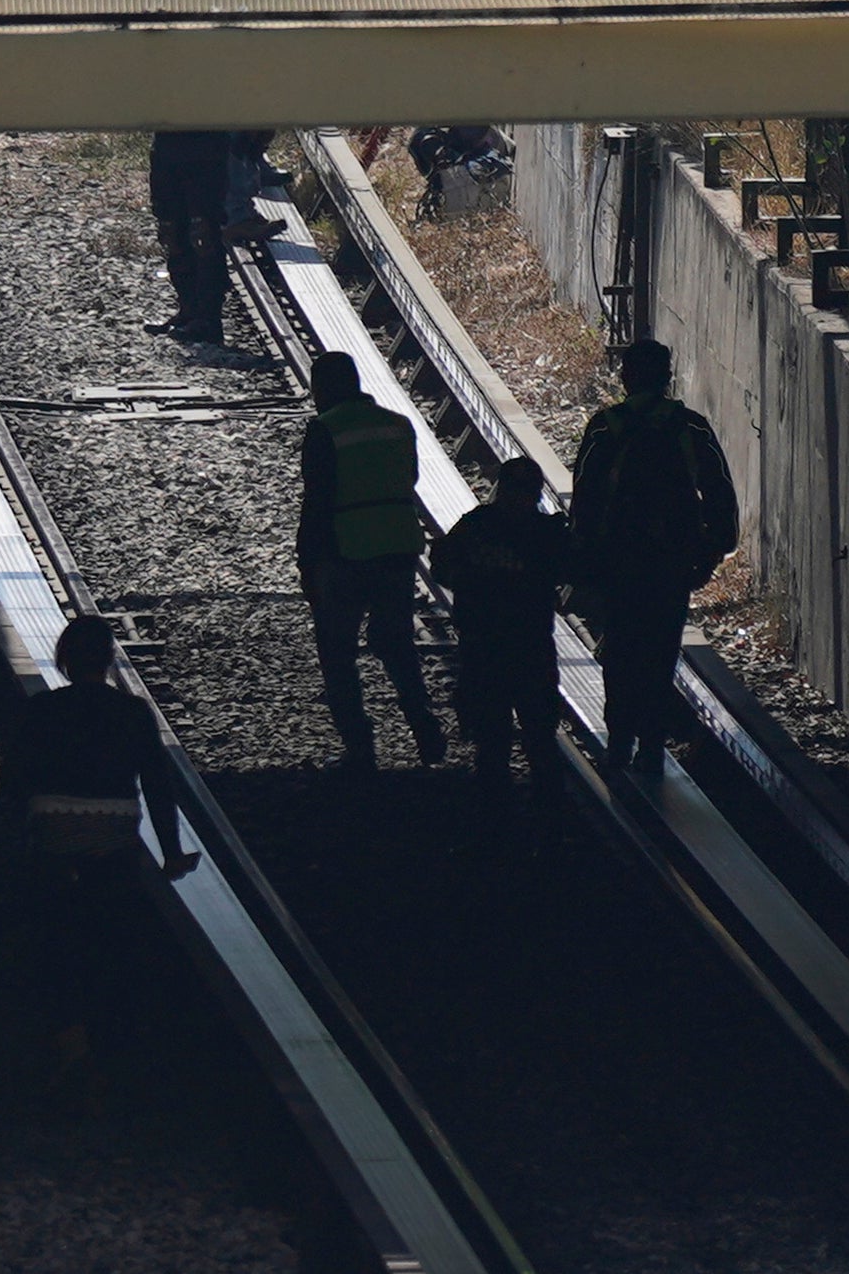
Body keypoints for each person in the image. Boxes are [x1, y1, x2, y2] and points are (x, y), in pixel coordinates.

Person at [563, 339, 740, 779]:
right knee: (661, 653)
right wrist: (713, 550)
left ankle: (619, 742)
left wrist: (582, 557)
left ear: (625, 378)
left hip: (618, 561)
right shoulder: (690, 427)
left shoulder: (606, 426)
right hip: (671, 563)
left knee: (621, 649)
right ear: (667, 378)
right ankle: (653, 747)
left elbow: (584, 495)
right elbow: (718, 490)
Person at [296, 351, 444, 770]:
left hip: (346, 551)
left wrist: (308, 564)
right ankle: (424, 729)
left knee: (337, 650)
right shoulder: (399, 426)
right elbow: (409, 479)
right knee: (397, 643)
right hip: (398, 548)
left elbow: (317, 502)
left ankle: (359, 745)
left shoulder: (325, 430)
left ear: (321, 388)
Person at [4, 612, 196, 875]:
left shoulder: (41, 707)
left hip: (53, 822)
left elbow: (14, 775)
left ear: (66, 659)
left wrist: (13, 839)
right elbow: (157, 783)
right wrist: (172, 853)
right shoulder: (134, 711)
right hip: (114, 823)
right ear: (108, 659)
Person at [432, 453, 574, 803]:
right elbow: (574, 571)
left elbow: (442, 566)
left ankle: (496, 801)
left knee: (492, 731)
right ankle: (544, 798)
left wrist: (469, 585)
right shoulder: (546, 533)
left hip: (485, 642)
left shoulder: (477, 525)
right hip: (529, 643)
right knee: (537, 729)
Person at [145, 129, 268, 348]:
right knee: (171, 230)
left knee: (204, 232)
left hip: (207, 148)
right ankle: (188, 310)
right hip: (168, 142)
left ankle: (208, 319)